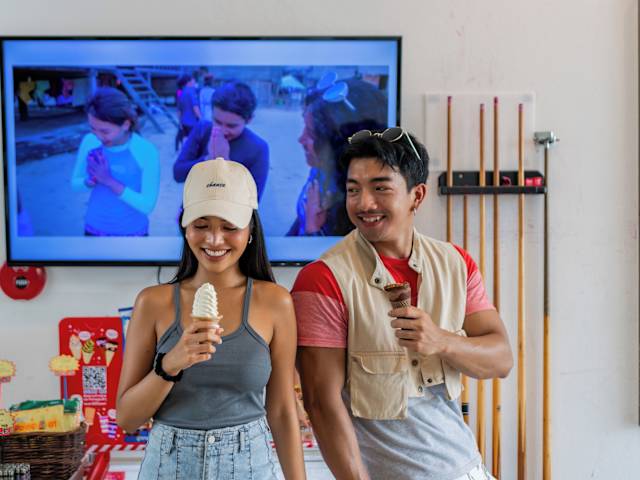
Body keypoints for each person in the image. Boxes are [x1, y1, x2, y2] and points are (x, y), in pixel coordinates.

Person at [292, 129, 513, 479]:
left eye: (380, 188)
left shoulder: (456, 263)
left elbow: (501, 359)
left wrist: (442, 341)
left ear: (417, 195)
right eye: (353, 190)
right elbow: (321, 403)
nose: (364, 204)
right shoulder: (322, 279)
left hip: (468, 468)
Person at [117, 159, 305, 480]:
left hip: (250, 467)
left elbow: (283, 410)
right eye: (201, 225)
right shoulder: (152, 303)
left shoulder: (276, 302)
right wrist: (171, 363)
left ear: (250, 230)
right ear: (185, 227)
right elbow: (127, 418)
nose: (215, 240)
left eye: (229, 227)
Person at [288, 77, 387, 236]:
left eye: (311, 133)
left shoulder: (364, 209)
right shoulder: (322, 171)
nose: (301, 139)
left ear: (339, 146)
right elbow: (301, 219)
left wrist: (312, 232)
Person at [71, 87, 160, 236]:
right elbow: (75, 184)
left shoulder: (145, 151)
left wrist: (109, 181)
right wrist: (90, 181)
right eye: (93, 129)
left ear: (126, 124)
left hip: (133, 233)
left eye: (105, 131)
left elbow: (147, 205)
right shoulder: (89, 141)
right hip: (94, 228)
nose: (98, 136)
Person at [173, 81, 269, 201]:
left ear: (249, 120)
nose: (222, 131)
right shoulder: (202, 129)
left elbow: (252, 201)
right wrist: (208, 159)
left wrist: (225, 165)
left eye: (231, 126)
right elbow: (178, 174)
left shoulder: (258, 148)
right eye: (217, 122)